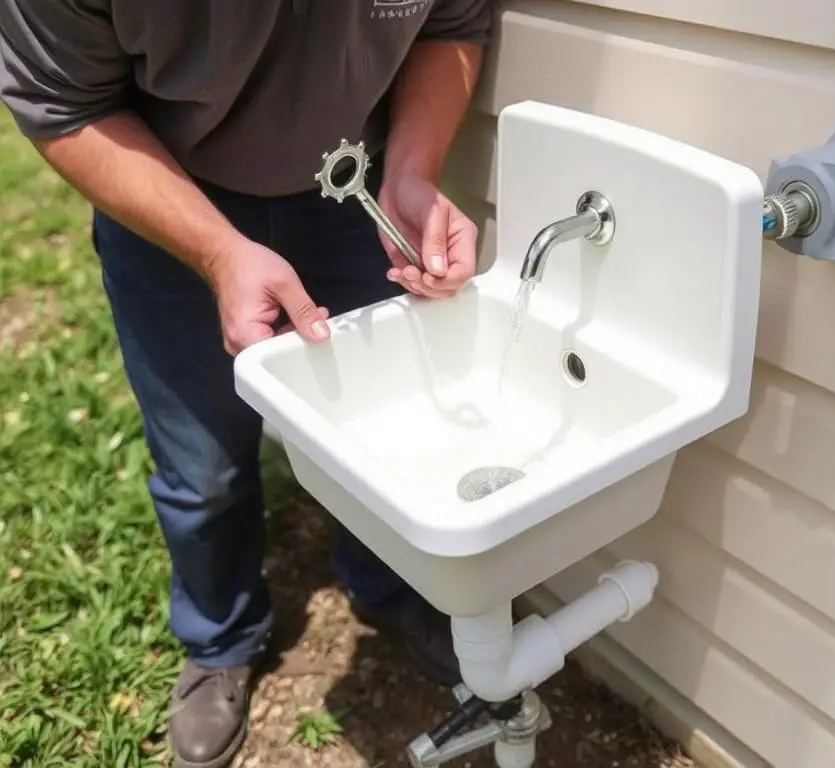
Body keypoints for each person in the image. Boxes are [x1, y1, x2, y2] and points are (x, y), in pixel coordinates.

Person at [0, 1, 493, 765]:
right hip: (169, 192)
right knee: (204, 467)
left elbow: (449, 24)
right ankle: (221, 635)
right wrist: (216, 250)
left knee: (378, 431)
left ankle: (387, 586)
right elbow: (65, 105)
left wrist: (410, 169)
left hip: (356, 183)